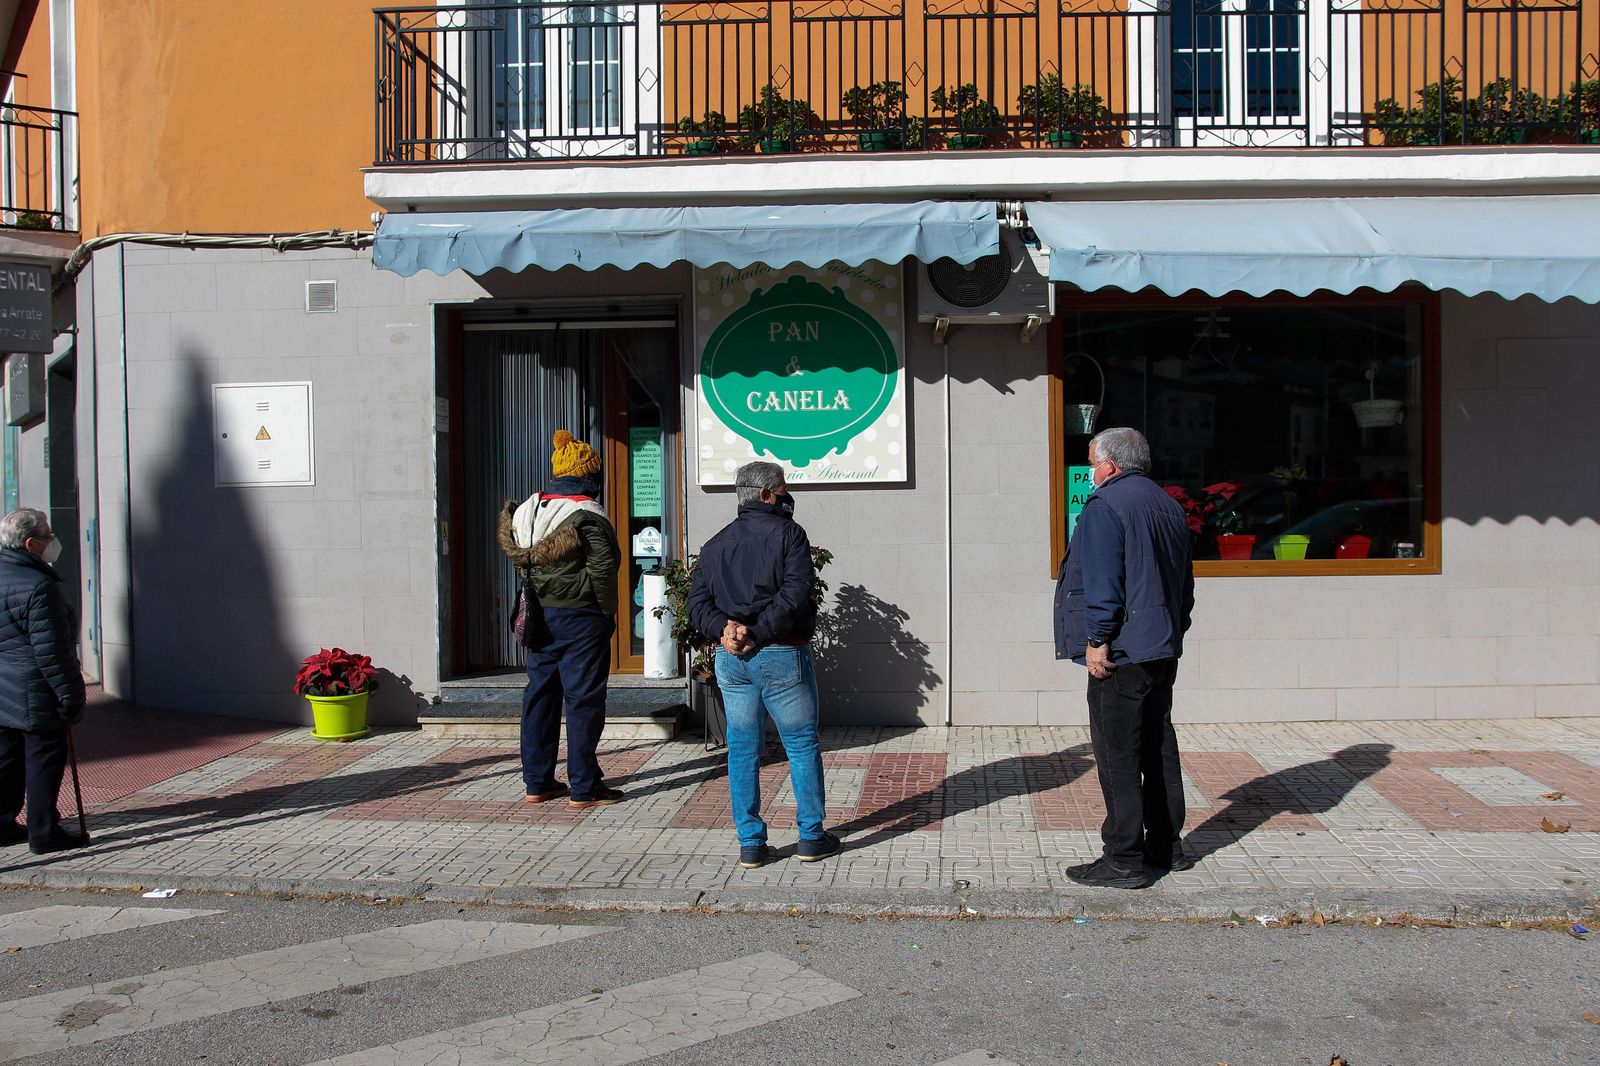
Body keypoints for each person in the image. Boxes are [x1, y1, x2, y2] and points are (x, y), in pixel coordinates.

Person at [1054, 427, 1195, 889]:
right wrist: (1173, 631)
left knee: (1118, 755)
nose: (1090, 472)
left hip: (1122, 651)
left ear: (1110, 465)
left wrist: (1097, 640)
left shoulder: (1106, 505)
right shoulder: (1168, 505)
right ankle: (1166, 848)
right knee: (1158, 747)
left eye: (1092, 463)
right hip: (1160, 647)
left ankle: (1123, 859)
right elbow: (1185, 586)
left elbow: (1103, 582)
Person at [687, 461, 838, 870]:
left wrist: (726, 631)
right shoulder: (790, 534)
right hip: (780, 653)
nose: (789, 496)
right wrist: (754, 632)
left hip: (732, 660)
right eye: (784, 489)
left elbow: (696, 603)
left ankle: (751, 844)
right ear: (766, 494)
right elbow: (796, 592)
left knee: (742, 749)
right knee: (801, 745)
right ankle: (812, 837)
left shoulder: (716, 543)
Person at [498, 430, 624, 810]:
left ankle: (537, 783)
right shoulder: (587, 513)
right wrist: (607, 612)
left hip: (538, 614)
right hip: (582, 616)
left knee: (540, 695)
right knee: (583, 700)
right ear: (590, 475)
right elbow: (603, 569)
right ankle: (584, 787)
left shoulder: (528, 509)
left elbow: (524, 563)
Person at [0, 507, 88, 854]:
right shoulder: (39, 587)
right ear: (30, 544)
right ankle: (44, 831)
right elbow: (52, 652)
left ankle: (2, 824)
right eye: (47, 536)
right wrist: (71, 696)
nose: (53, 540)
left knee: (6, 759)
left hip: (3, 688)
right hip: (34, 691)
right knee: (43, 758)